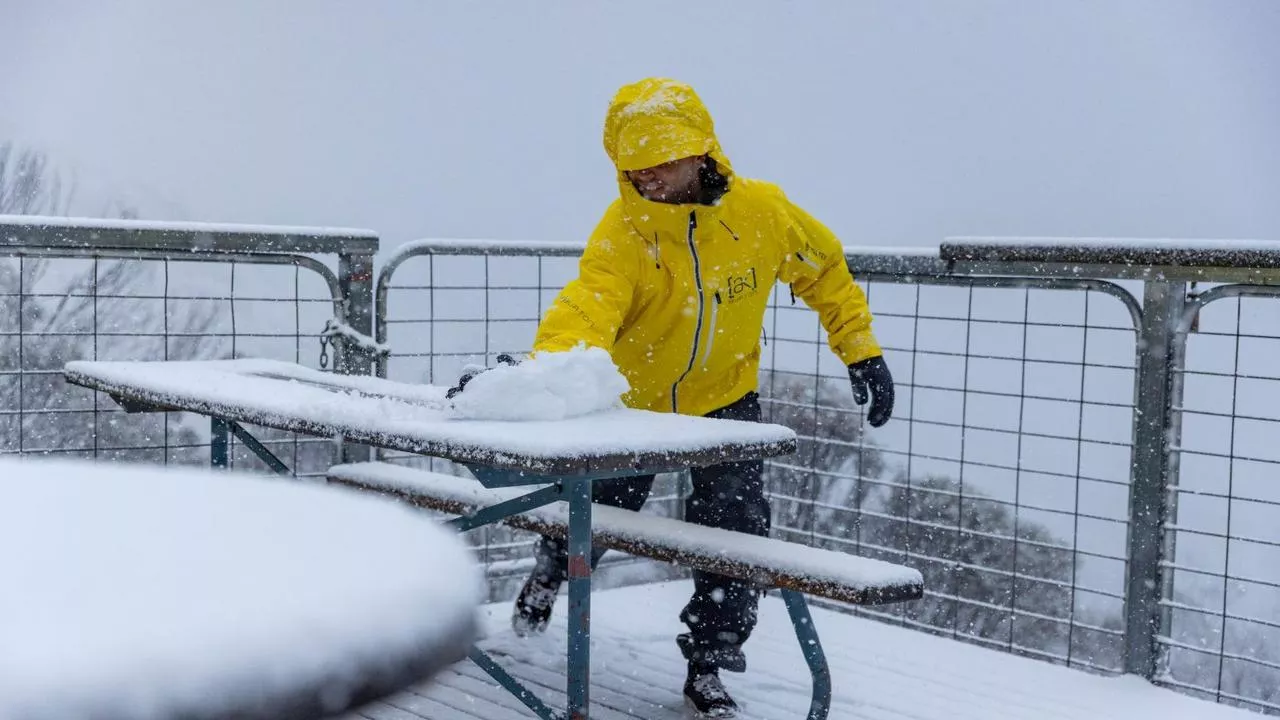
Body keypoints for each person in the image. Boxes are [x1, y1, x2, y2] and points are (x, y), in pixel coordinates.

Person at [449, 76, 894, 718]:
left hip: (726, 401)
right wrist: (548, 371)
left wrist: (860, 349)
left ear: (700, 151)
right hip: (636, 408)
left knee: (735, 526)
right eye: (635, 169)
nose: (650, 178)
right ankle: (552, 569)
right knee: (600, 507)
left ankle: (709, 664)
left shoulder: (762, 213)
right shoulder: (624, 231)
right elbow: (585, 307)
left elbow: (823, 268)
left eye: (662, 162)